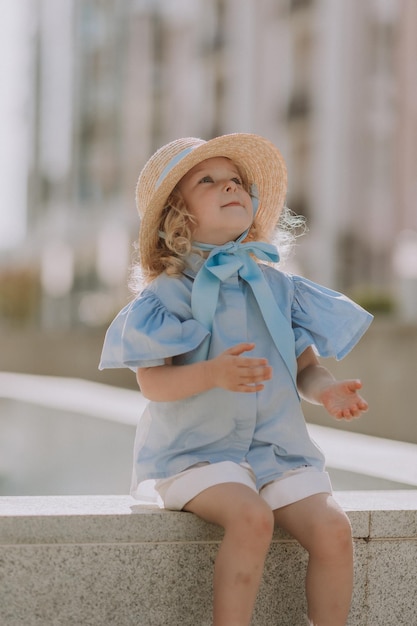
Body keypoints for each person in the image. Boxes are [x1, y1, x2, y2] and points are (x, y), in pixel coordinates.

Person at [99, 133, 373, 626]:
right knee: (251, 518)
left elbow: (306, 366)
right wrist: (212, 373)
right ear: (177, 214)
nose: (230, 187)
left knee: (333, 530)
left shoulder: (277, 287)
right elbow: (153, 385)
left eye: (238, 181)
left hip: (275, 451)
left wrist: (326, 390)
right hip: (196, 453)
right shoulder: (169, 294)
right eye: (209, 180)